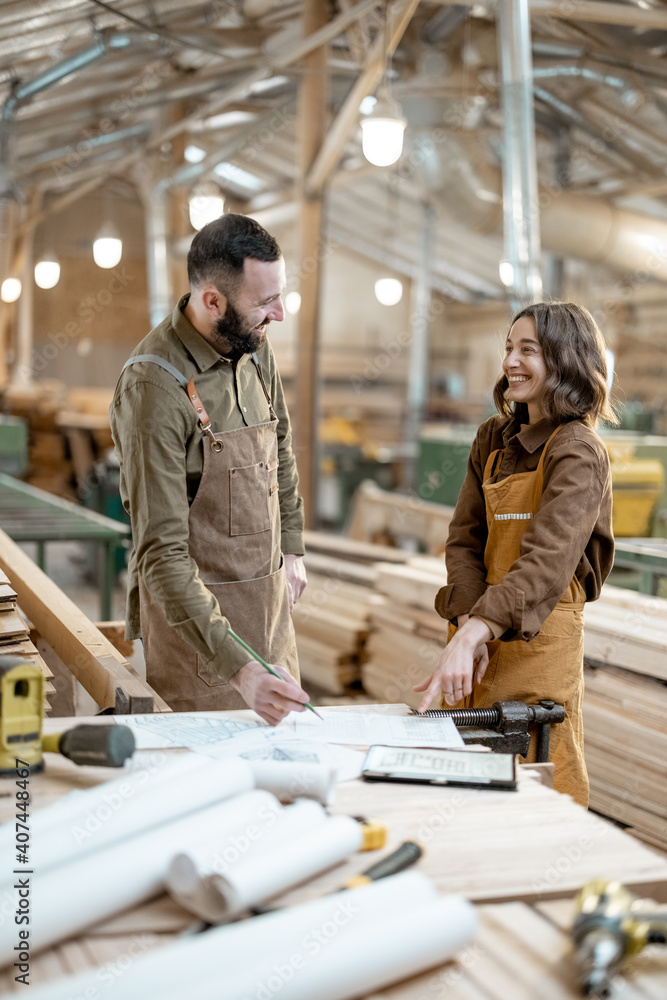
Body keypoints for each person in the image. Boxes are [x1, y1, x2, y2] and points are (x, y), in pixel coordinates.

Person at [110, 213, 311, 724]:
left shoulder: (253, 347)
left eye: (280, 295)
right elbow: (161, 555)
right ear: (213, 302)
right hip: (200, 647)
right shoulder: (154, 389)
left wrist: (292, 547)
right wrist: (239, 669)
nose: (281, 314)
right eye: (265, 302)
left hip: (269, 613)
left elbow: (280, 447)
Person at [415, 302, 616, 806]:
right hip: (479, 644)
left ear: (565, 361)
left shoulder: (578, 451)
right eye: (509, 347)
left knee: (541, 781)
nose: (511, 361)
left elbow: (547, 562)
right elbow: (464, 539)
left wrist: (477, 630)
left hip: (539, 649)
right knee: (469, 779)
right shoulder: (492, 438)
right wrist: (467, 626)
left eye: (529, 349)